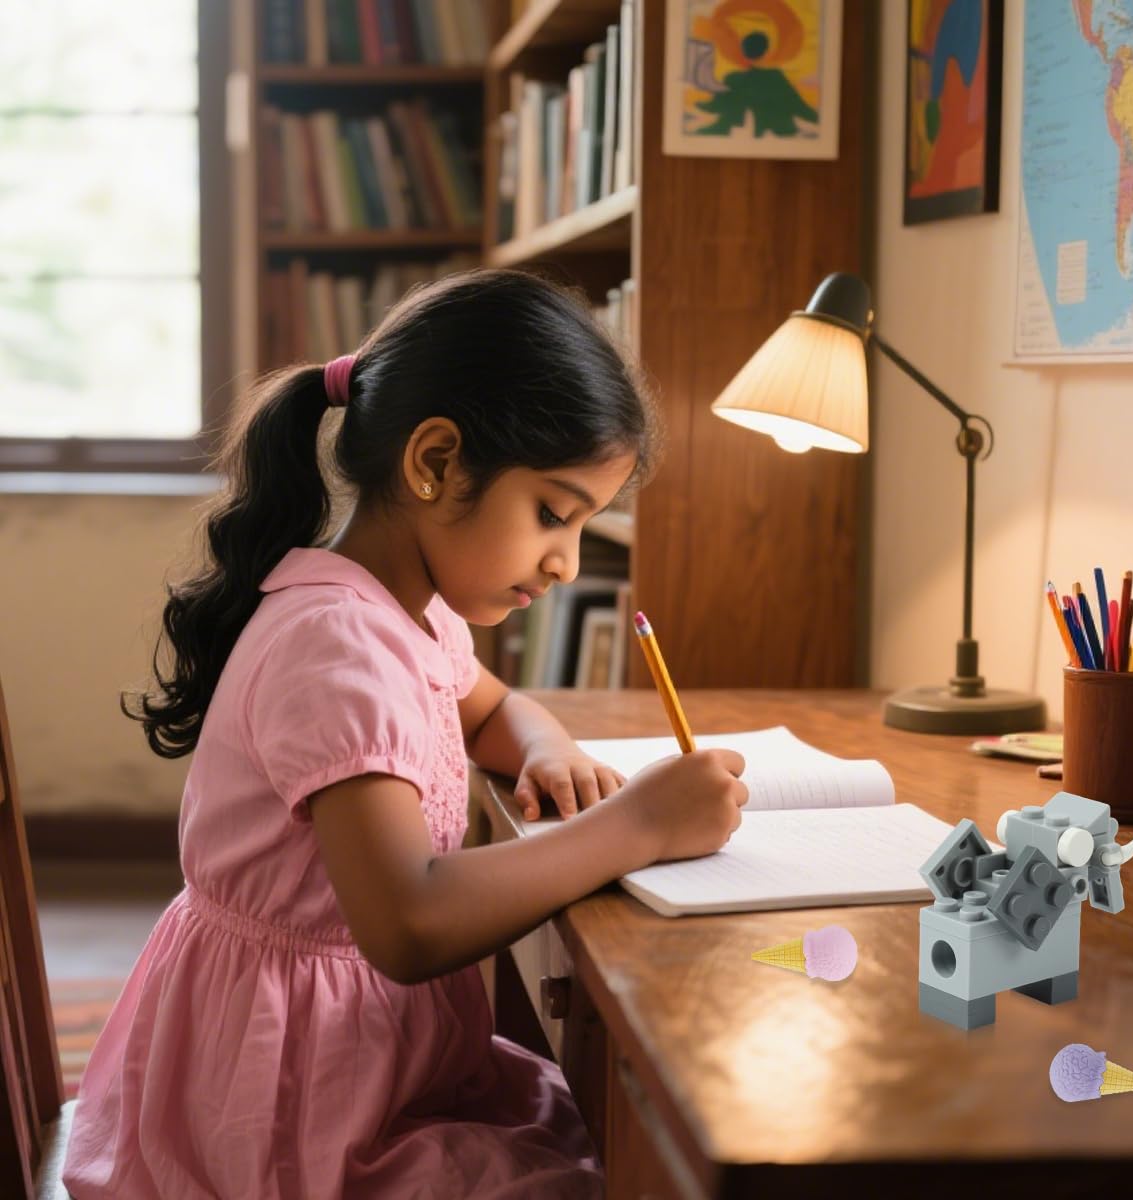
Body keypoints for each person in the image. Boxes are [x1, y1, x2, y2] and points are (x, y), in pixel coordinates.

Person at [63, 268, 748, 1199]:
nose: (565, 561)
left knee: (608, 1134)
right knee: (613, 1164)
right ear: (434, 463)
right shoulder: (337, 646)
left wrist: (545, 748)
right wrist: (638, 828)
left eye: (585, 524)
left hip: (366, 1059)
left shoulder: (410, 615)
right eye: (553, 513)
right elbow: (409, 922)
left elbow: (498, 709)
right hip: (285, 1106)